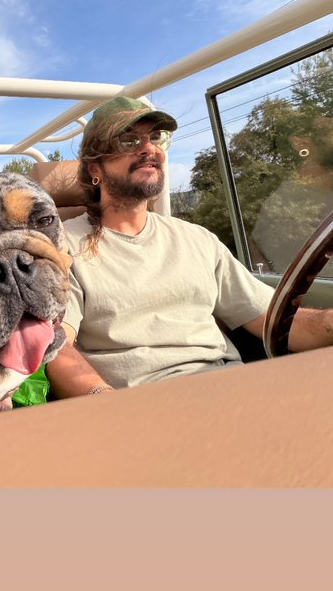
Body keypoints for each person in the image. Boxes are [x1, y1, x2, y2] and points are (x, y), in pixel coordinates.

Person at [45, 96, 333, 398]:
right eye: (128, 140)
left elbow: (276, 322)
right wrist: (108, 405)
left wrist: (327, 323)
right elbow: (58, 348)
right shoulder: (63, 247)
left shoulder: (198, 240)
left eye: (156, 138)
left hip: (233, 387)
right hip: (140, 406)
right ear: (96, 168)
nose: (149, 148)